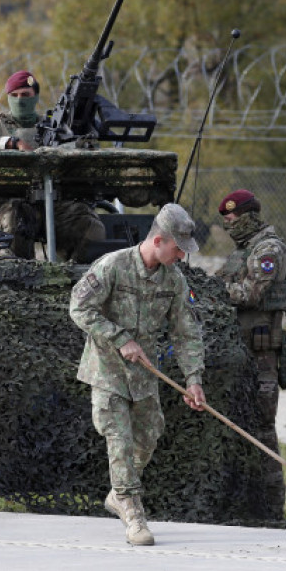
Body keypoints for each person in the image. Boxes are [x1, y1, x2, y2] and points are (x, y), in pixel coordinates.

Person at [69, 203, 206, 546]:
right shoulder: (112, 266)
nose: (181, 256)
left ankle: (118, 493)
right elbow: (78, 308)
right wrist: (119, 337)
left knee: (149, 436)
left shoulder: (174, 280)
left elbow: (186, 332)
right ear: (158, 240)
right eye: (177, 249)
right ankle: (133, 513)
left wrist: (193, 380)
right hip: (107, 372)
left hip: (144, 377)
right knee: (120, 440)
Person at [214, 189, 286, 518]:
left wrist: (213, 289)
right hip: (239, 352)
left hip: (261, 355)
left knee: (262, 428)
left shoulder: (268, 250)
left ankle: (272, 509)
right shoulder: (242, 251)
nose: (228, 226)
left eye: (232, 220)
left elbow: (253, 292)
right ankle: (243, 504)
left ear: (248, 216)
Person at [0, 69, 105, 261]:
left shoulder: (51, 126)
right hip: (11, 201)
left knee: (89, 224)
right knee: (16, 217)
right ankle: (21, 278)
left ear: (35, 97)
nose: (20, 99)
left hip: (53, 201)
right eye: (14, 95)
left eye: (25, 95)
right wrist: (12, 143)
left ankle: (74, 272)